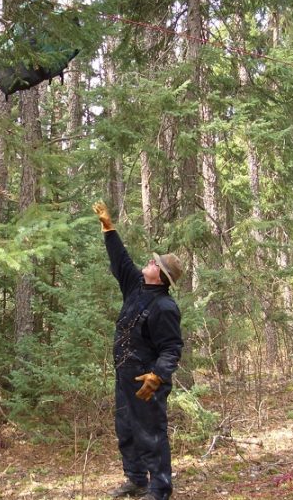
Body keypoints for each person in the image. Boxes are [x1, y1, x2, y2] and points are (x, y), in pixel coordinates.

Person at [92, 200, 184, 500]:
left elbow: (172, 348)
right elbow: (120, 259)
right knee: (127, 430)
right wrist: (109, 228)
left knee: (151, 435)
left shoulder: (165, 306)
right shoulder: (135, 286)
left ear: (162, 276)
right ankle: (136, 480)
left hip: (147, 382)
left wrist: (157, 377)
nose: (150, 262)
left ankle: (160, 489)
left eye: (155, 263)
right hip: (124, 376)